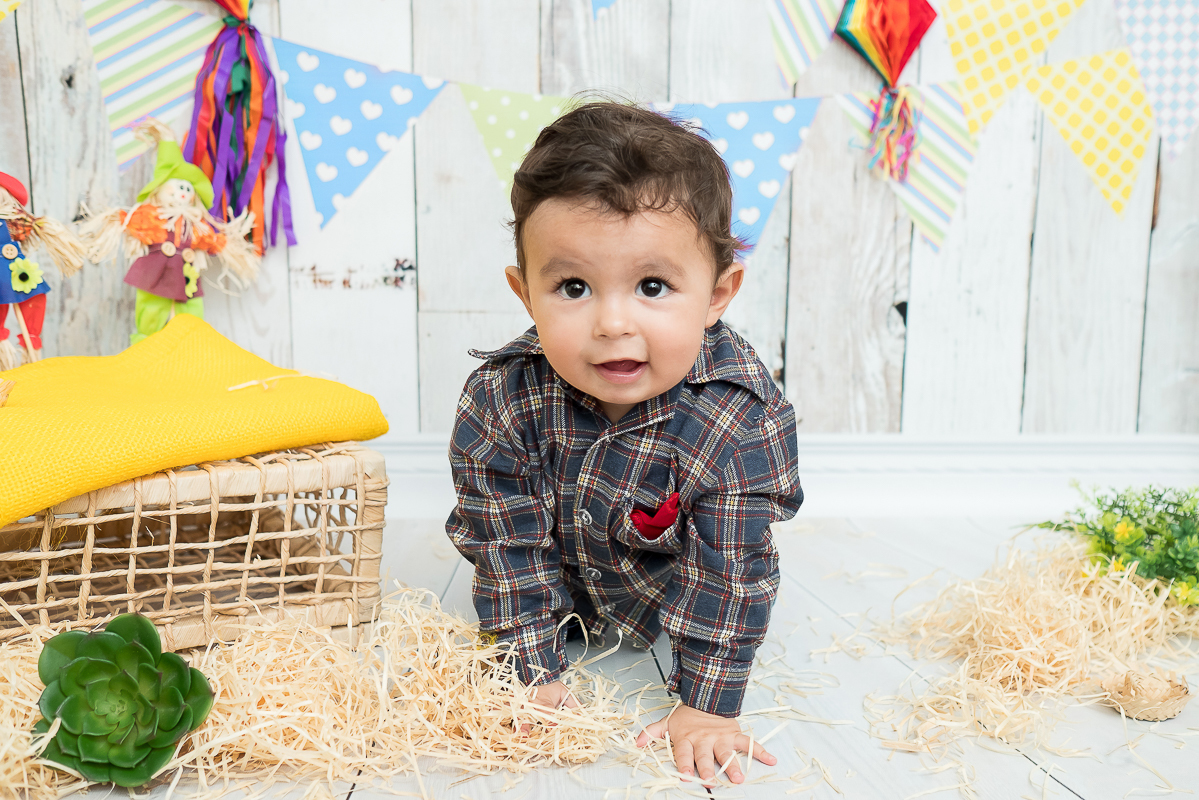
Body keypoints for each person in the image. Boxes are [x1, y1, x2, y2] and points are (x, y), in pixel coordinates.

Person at [446, 101, 802, 786]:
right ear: (526, 294)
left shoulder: (736, 421)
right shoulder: (500, 399)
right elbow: (505, 543)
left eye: (652, 286)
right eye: (573, 286)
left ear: (717, 293)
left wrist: (705, 709)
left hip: (666, 595)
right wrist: (530, 668)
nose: (613, 322)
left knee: (719, 576)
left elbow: (730, 573)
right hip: (561, 585)